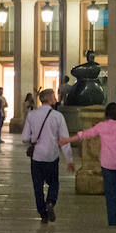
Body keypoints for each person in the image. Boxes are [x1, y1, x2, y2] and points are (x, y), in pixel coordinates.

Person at [21, 89, 73, 223]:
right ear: (50, 100)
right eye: (54, 97)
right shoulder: (58, 116)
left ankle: (43, 214)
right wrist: (69, 159)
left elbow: (25, 137)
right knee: (54, 182)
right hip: (52, 156)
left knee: (37, 187)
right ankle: (50, 202)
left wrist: (34, 138)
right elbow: (64, 139)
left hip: (37, 157)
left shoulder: (32, 115)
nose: (55, 99)